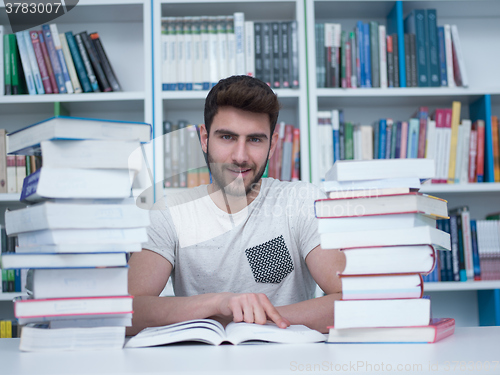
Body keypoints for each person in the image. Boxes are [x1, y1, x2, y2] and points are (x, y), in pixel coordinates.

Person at [127, 75, 345, 336]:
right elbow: (129, 311)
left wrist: (255, 319)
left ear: (272, 144)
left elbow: (352, 298)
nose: (240, 156)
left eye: (255, 140)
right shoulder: (168, 213)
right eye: (227, 137)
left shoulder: (302, 202)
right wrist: (220, 303)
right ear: (205, 139)